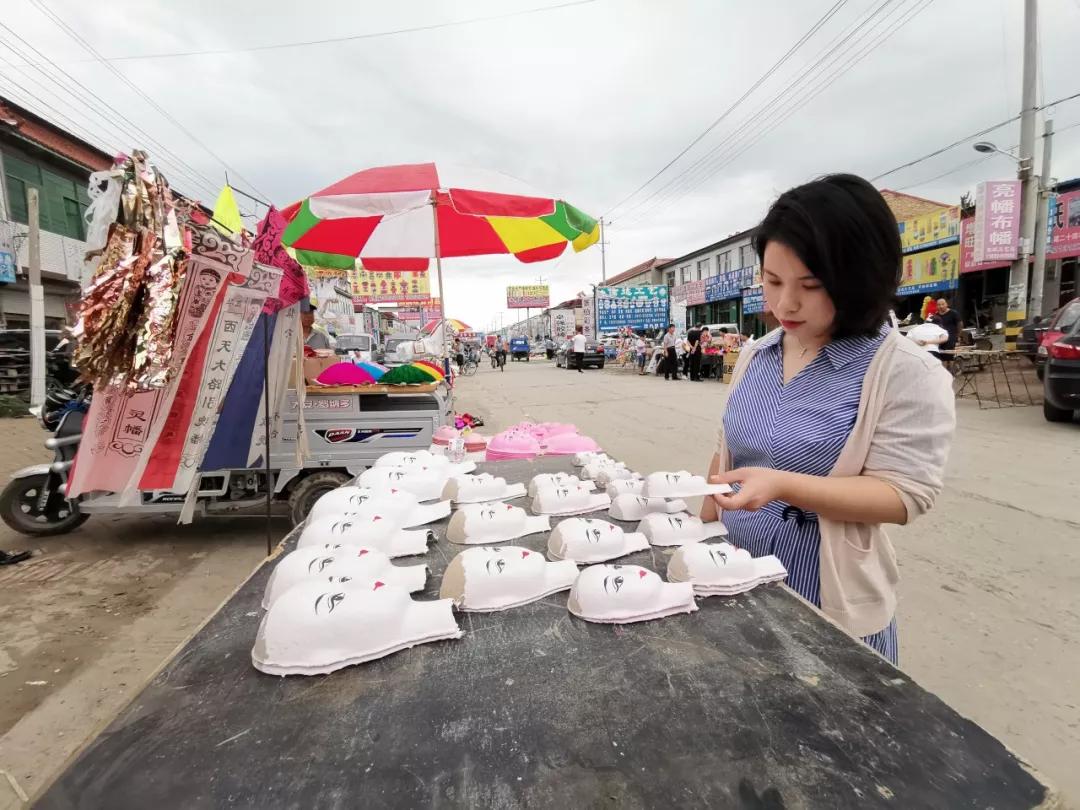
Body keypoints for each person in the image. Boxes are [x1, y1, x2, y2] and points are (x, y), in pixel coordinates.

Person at [701, 173, 955, 665]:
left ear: (859, 278)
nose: (785, 304)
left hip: (826, 600)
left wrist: (784, 485)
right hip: (732, 579)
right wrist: (697, 534)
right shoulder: (757, 355)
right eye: (772, 282)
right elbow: (725, 458)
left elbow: (904, 494)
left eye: (810, 285)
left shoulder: (904, 370)